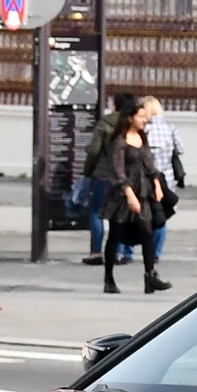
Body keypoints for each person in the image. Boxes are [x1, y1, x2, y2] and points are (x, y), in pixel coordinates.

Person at [94, 100, 171, 295]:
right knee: (115, 235)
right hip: (122, 196)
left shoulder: (141, 137)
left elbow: (149, 164)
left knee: (147, 234)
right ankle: (108, 278)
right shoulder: (119, 141)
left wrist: (156, 184)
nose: (145, 120)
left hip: (142, 192)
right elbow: (117, 171)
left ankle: (150, 276)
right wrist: (129, 194)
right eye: (141, 117)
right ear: (130, 118)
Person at [119, 96, 185, 262]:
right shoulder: (170, 128)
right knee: (160, 215)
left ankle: (127, 251)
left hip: (140, 179)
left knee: (133, 214)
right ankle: (155, 252)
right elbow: (180, 149)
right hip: (164, 179)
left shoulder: (142, 130)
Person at [79, 92, 139, 266]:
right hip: (127, 177)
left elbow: (94, 151)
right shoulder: (134, 125)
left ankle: (96, 252)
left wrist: (88, 171)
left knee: (97, 213)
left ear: (115, 105)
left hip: (104, 176)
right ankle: (118, 252)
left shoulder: (105, 123)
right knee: (119, 215)